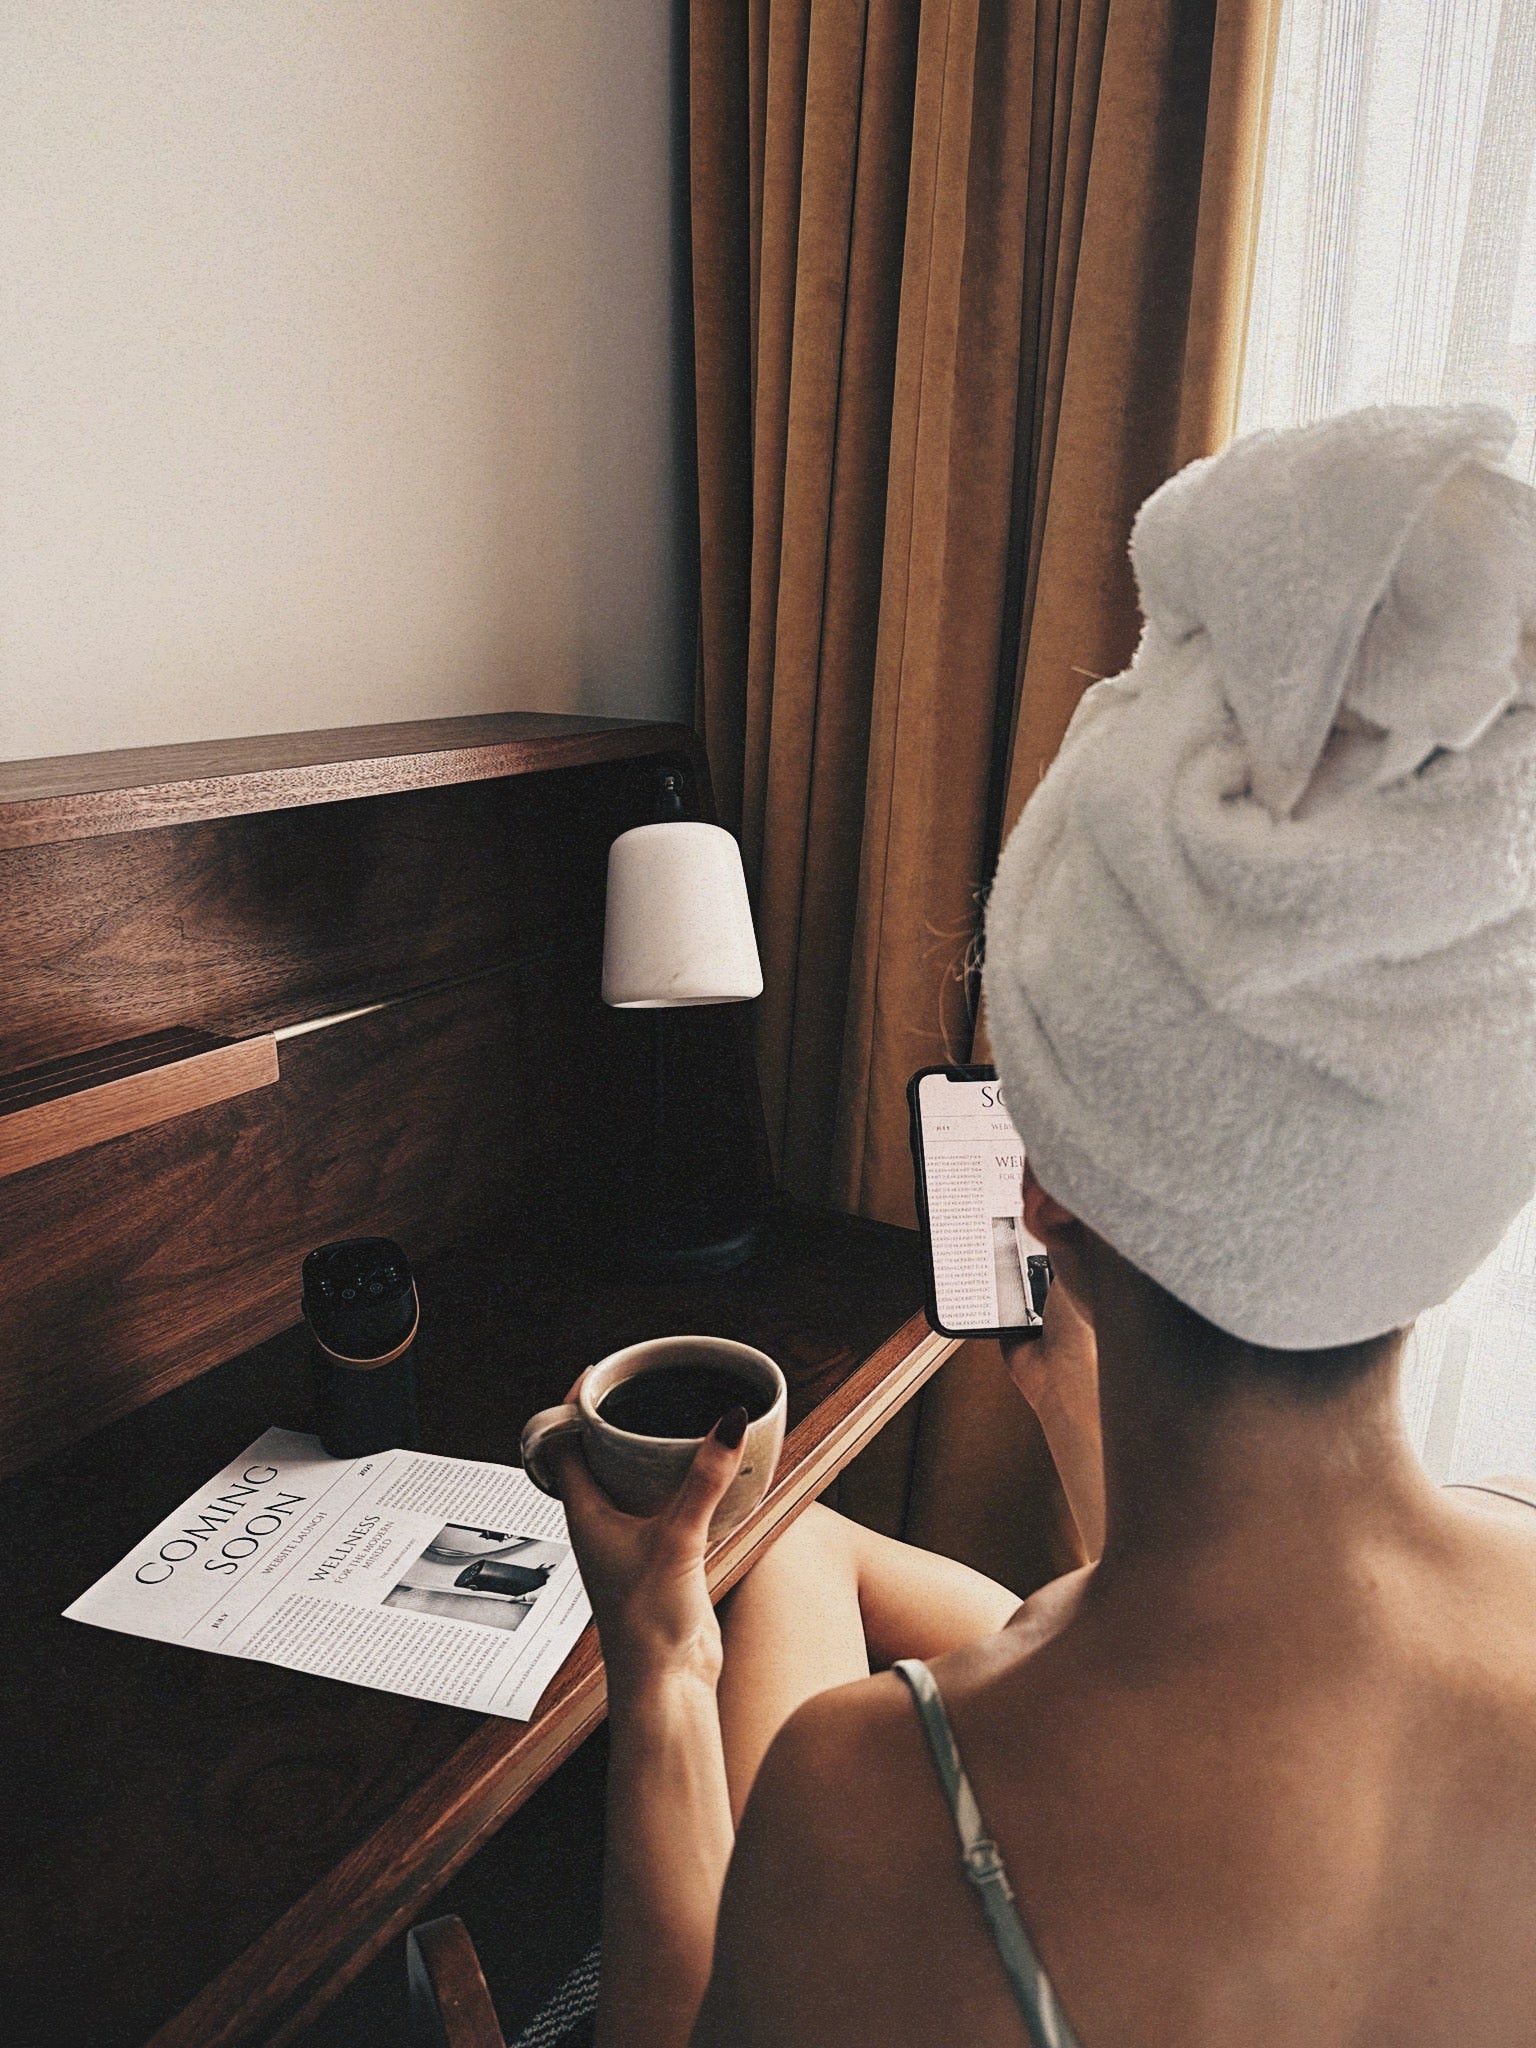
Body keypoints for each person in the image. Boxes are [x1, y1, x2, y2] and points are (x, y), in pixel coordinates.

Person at [552, 405, 1536, 2046]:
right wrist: (1090, 1435)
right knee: (800, 1540)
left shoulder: (872, 1809)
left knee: (778, 1559)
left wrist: (659, 1659)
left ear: (1043, 1174)